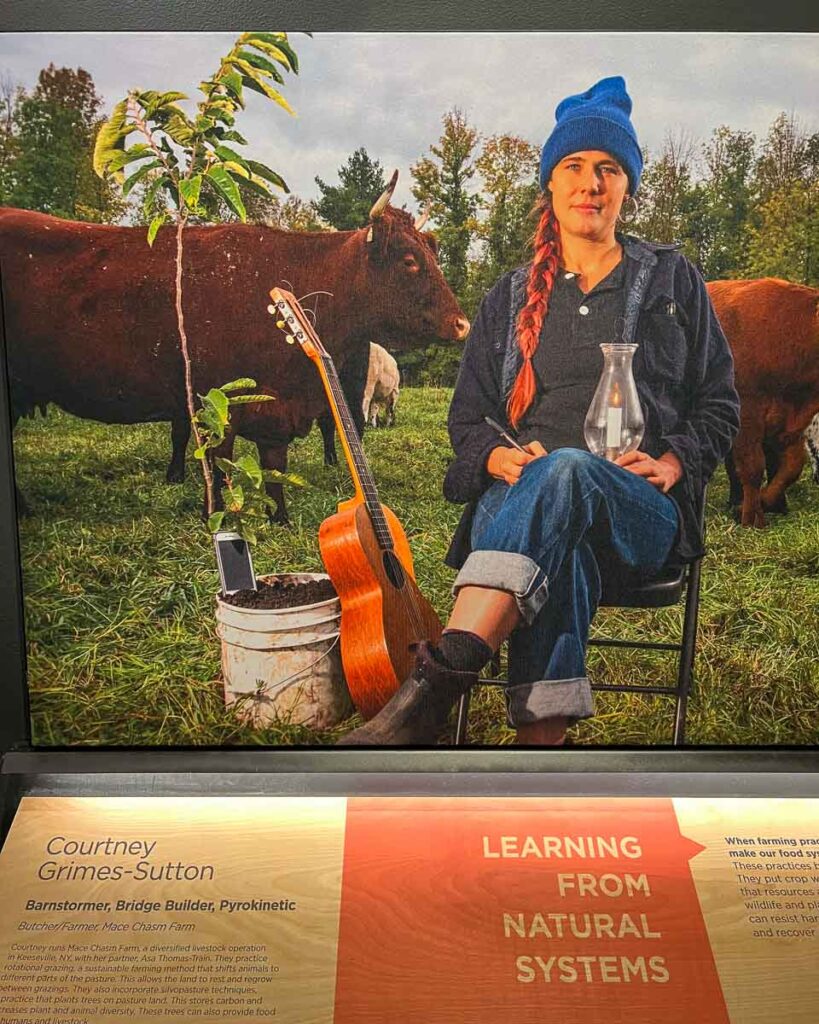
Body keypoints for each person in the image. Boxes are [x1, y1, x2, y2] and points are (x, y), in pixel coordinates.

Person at [339, 75, 740, 747]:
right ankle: (539, 750)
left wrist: (675, 460)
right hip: (520, 499)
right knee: (562, 533)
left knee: (569, 473)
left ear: (626, 187)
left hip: (636, 511)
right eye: (575, 167)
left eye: (608, 168)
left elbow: (720, 402)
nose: (591, 182)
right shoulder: (509, 296)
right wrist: (496, 455)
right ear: (549, 187)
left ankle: (440, 679)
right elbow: (467, 421)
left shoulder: (673, 280)